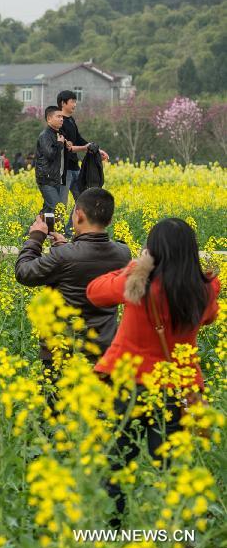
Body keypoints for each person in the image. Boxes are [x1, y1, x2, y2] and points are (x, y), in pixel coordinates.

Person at [87, 218, 220, 524]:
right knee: (170, 464)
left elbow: (95, 292)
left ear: (152, 251)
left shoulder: (139, 285)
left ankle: (112, 528)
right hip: (176, 387)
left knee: (119, 459)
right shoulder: (206, 289)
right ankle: (171, 529)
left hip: (131, 384)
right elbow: (210, 317)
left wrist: (134, 269)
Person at [14, 187, 132, 409]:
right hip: (102, 350)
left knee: (55, 417)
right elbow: (88, 261)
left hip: (62, 351)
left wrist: (36, 237)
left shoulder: (64, 256)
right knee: (96, 417)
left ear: (78, 214)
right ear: (110, 219)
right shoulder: (123, 253)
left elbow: (24, 272)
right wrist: (66, 247)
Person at [58, 90, 109, 234]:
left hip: (75, 167)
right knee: (61, 204)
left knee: (81, 201)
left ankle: (68, 231)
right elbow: (66, 148)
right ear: (63, 103)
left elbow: (79, 139)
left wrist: (97, 151)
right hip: (63, 170)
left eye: (75, 101)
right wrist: (85, 148)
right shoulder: (59, 122)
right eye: (72, 101)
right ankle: (57, 233)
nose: (75, 104)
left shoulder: (71, 120)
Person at [35, 106, 68, 219]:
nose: (61, 119)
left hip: (55, 179)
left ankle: (31, 234)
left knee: (48, 211)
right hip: (46, 179)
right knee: (58, 208)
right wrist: (59, 144)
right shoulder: (45, 135)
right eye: (58, 116)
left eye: (62, 117)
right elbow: (50, 155)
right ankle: (59, 234)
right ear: (49, 119)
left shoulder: (57, 134)